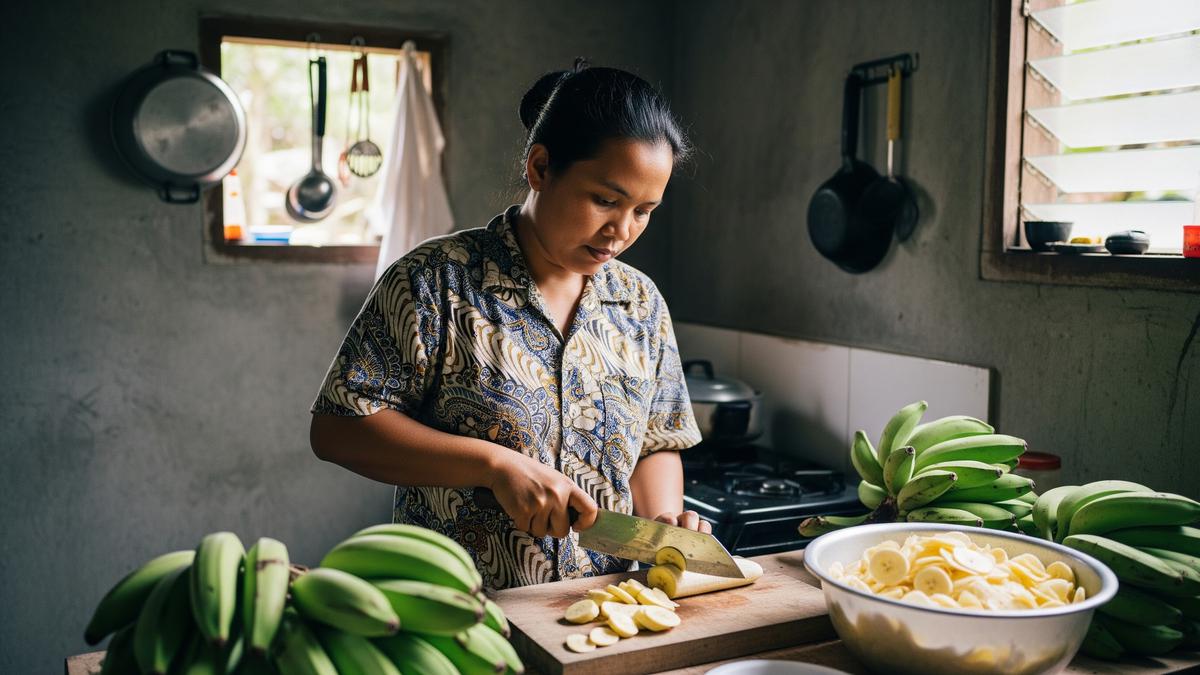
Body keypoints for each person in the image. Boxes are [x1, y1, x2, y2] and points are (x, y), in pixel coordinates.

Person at [309, 60, 706, 590]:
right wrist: (494, 466)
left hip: (603, 614)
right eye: (605, 200)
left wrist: (660, 523)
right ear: (540, 168)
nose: (621, 230)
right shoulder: (435, 281)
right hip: (459, 610)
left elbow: (657, 440)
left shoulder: (640, 303)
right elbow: (338, 427)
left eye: (644, 210)